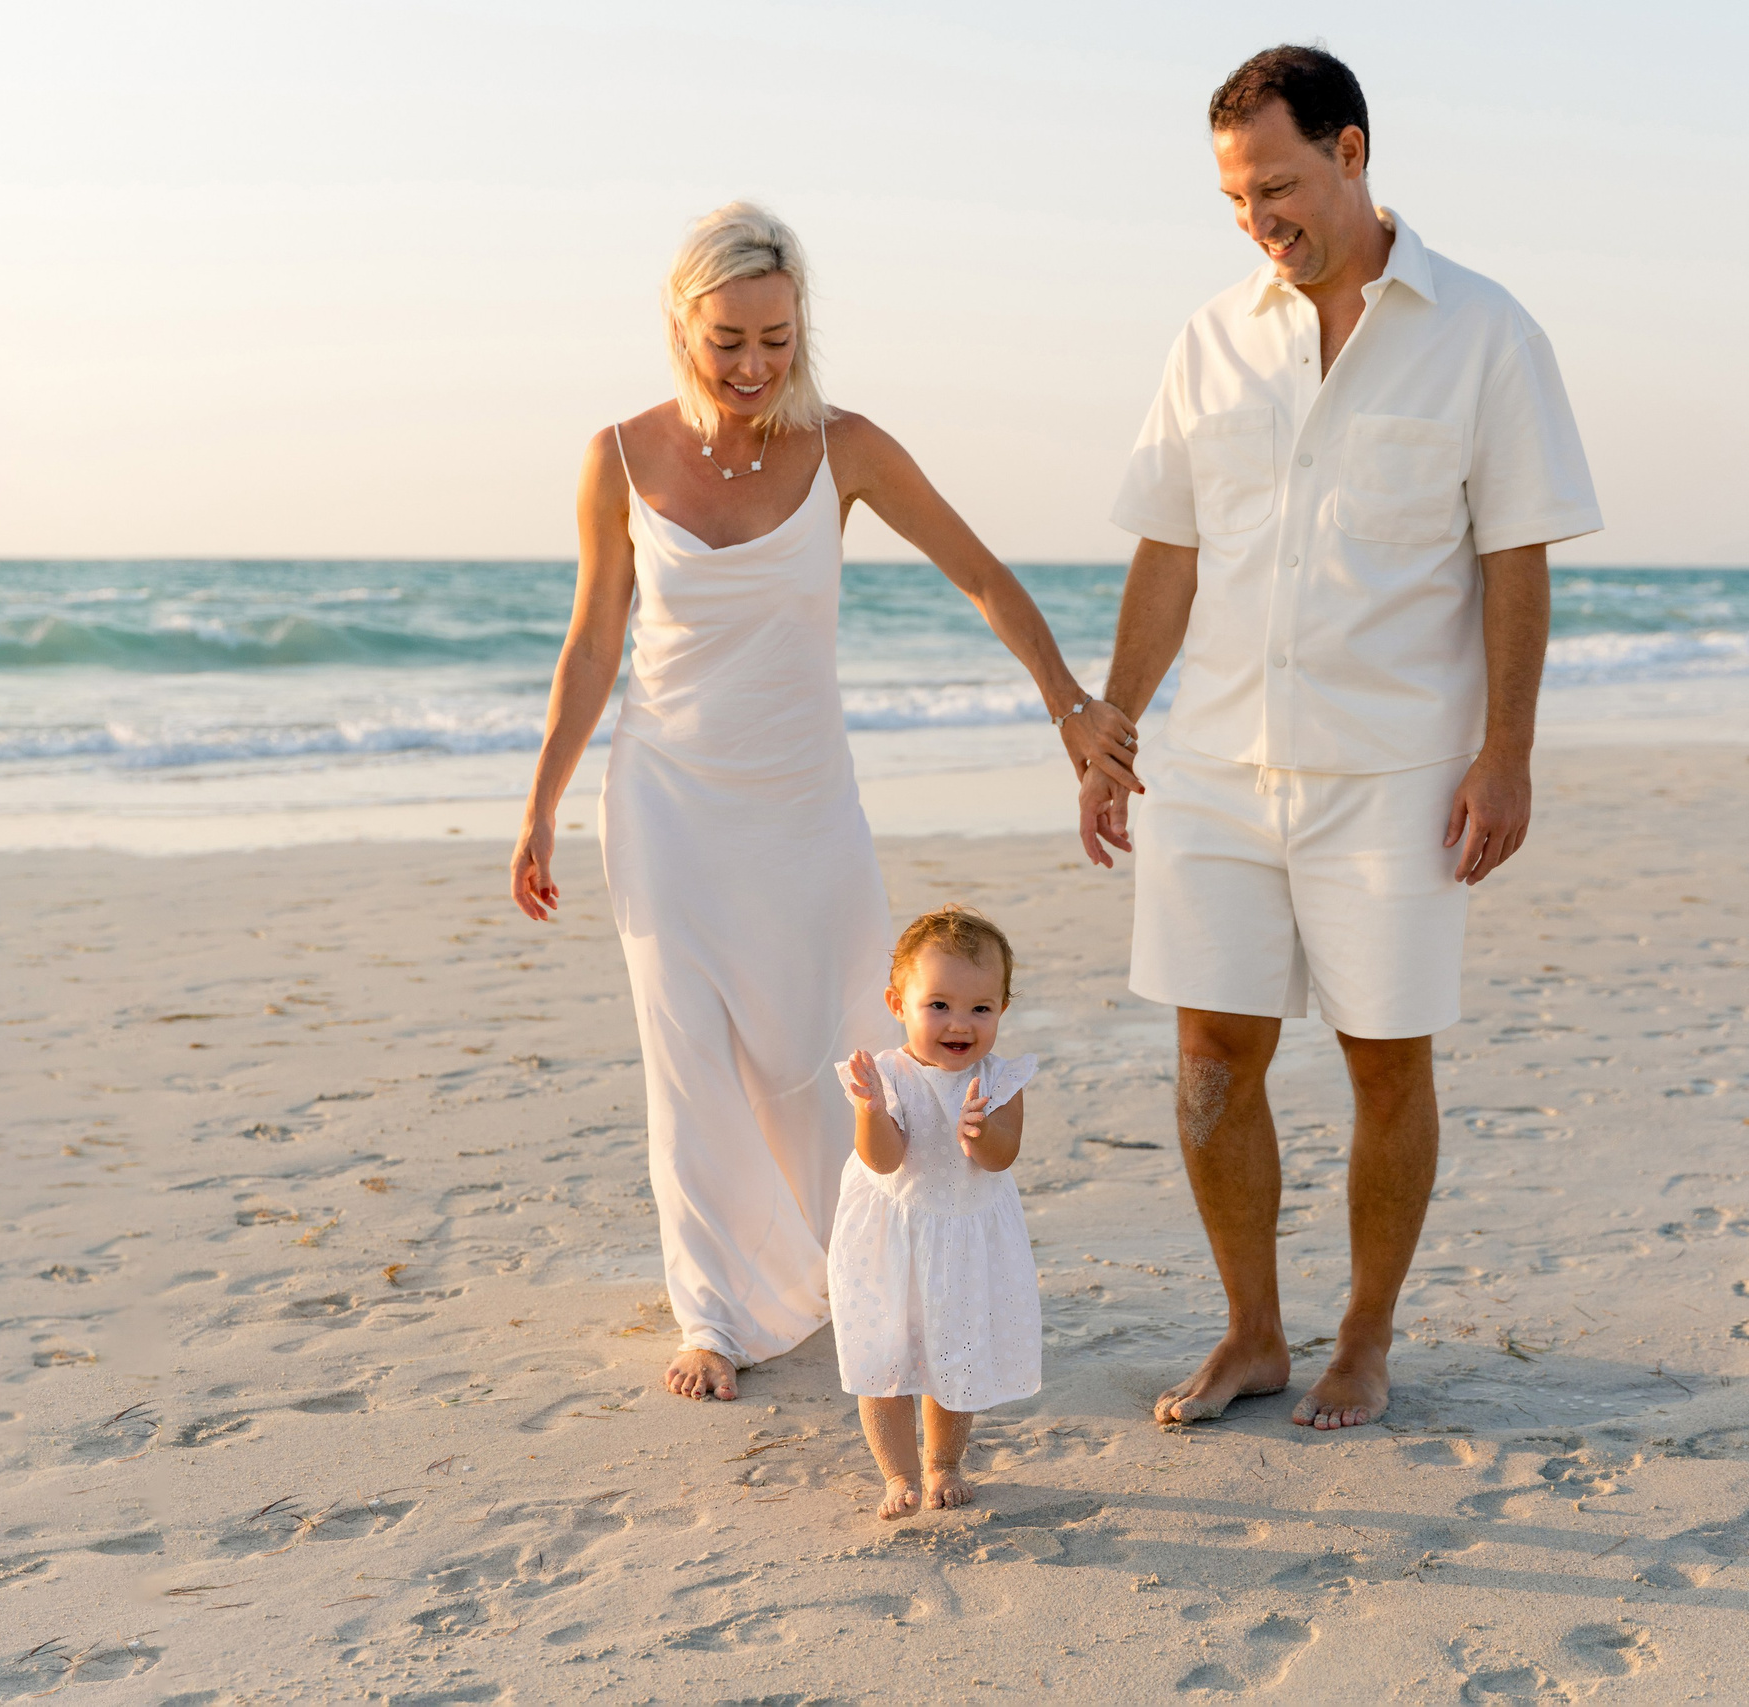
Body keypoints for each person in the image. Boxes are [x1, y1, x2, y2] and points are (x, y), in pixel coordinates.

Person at [514, 204, 1134, 1403]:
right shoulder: (619, 456)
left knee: (833, 1041)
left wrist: (1068, 708)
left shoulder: (846, 448)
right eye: (726, 342)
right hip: (664, 802)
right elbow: (593, 643)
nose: (752, 368)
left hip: (803, 802)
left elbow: (980, 574)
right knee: (688, 1059)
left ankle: (846, 1269)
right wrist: (538, 804)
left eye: (777, 341)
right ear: (679, 326)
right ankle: (714, 1313)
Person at [1079, 46, 1602, 1430]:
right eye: (1237, 195)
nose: (1260, 218)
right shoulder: (1211, 338)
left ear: (1354, 153)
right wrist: (1116, 720)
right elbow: (1169, 548)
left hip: (1399, 771)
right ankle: (1253, 1328)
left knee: (1386, 1056)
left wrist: (1509, 751)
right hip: (1217, 765)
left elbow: (1516, 557)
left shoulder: (1486, 331)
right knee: (1209, 1057)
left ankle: (1364, 1333)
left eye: (1281, 184)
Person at [830, 907, 1040, 1519]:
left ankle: (942, 1462)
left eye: (981, 1008)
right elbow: (884, 1161)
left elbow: (1003, 1158)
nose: (960, 1024)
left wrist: (980, 1133)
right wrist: (871, 1112)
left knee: (955, 1348)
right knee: (886, 1354)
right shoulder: (885, 1076)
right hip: (891, 1236)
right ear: (898, 1002)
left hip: (965, 1239)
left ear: (1002, 1009)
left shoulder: (1000, 1080)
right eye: (939, 1005)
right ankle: (897, 1474)